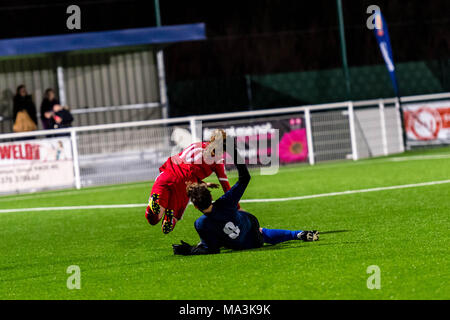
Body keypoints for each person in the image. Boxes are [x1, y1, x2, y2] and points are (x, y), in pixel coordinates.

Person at [172, 139, 319, 255]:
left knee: (214, 236)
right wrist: (233, 151)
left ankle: (295, 234)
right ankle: (297, 234)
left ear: (196, 206)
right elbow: (244, 178)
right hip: (253, 235)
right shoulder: (225, 202)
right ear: (211, 196)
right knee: (259, 231)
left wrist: (189, 250)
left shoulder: (200, 224)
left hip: (238, 245)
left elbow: (211, 250)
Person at [145, 129, 235, 234]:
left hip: (168, 175)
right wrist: (236, 208)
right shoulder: (218, 161)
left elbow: (186, 167)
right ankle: (171, 218)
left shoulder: (195, 145)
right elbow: (227, 188)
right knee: (174, 216)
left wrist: (204, 183)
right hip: (184, 186)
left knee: (154, 219)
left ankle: (153, 204)